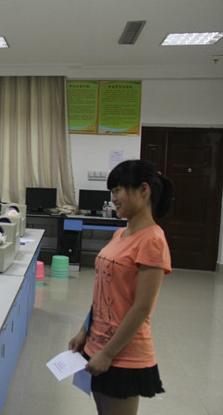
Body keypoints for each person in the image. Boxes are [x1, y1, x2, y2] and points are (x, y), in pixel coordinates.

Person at [68, 159, 174, 415]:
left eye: (117, 191)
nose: (113, 198)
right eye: (112, 192)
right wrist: (84, 330)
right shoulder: (120, 234)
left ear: (143, 190)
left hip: (123, 354)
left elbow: (142, 308)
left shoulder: (152, 240)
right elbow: (104, 292)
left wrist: (108, 353)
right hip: (97, 344)